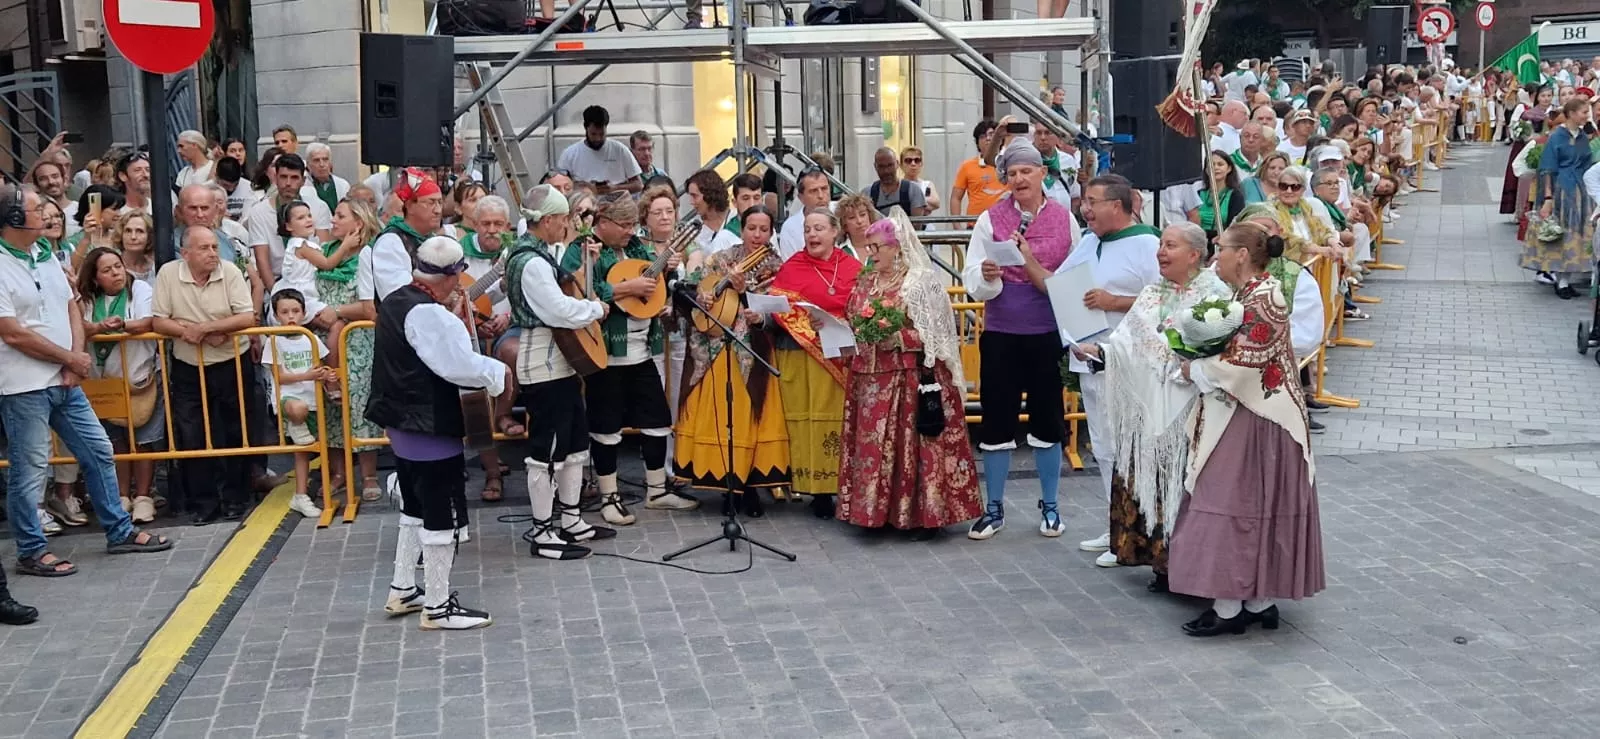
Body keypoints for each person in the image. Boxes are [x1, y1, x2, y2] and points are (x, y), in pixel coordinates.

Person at [0, 184, 173, 580]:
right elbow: (12, 333)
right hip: (23, 385)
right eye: (37, 210)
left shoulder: (46, 255)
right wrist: (68, 359)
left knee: (98, 451)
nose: (47, 217)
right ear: (14, 218)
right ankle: (30, 550)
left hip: (64, 380)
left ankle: (119, 530)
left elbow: (71, 307)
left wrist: (75, 359)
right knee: (29, 470)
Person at [1165, 222, 1325, 636]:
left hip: (1260, 417)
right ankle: (1256, 601)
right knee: (1254, 504)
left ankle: (1232, 606)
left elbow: (1246, 363)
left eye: (1220, 249)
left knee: (1229, 501)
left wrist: (1195, 367)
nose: (1214, 256)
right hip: (1255, 413)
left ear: (1241, 255)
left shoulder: (1264, 297)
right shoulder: (1251, 294)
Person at [1070, 223, 1230, 592]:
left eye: (1170, 245)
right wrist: (1101, 352)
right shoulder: (1151, 293)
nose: (1160, 252)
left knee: (1187, 487)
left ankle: (1192, 568)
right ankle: (1162, 565)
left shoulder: (1215, 294)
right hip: (1149, 414)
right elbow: (1125, 342)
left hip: (1193, 409)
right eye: (1160, 245)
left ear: (1194, 254)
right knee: (1154, 487)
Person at [369, 236, 505, 630]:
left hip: (402, 422)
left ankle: (402, 589)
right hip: (429, 424)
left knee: (414, 507)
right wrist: (498, 373)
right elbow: (458, 366)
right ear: (453, 276)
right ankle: (438, 606)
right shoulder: (430, 314)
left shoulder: (395, 300)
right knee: (440, 514)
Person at [1029, 174, 1161, 558]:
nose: (1085, 209)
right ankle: (1116, 524)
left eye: (1092, 201)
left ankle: (1141, 531)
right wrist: (1025, 259)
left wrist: (1113, 301)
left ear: (1116, 206)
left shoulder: (1148, 244)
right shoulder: (1089, 243)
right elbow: (1061, 286)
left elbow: (1166, 298)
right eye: (1084, 201)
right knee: (1102, 444)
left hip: (1130, 361)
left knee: (1128, 444)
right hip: (1090, 358)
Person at [837, 213, 981, 540]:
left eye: (877, 247)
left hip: (909, 379)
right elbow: (853, 318)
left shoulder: (919, 282)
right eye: (868, 247)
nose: (871, 253)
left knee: (912, 449)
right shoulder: (866, 281)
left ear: (897, 247)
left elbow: (939, 335)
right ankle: (876, 516)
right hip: (869, 380)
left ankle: (920, 518)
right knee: (873, 451)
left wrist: (901, 338)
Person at [961, 139, 1076, 540]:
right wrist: (986, 274)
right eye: (1012, 173)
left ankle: (1051, 506)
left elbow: (1074, 274)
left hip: (1047, 332)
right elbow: (971, 273)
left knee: (1048, 419)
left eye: (1026, 171)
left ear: (1043, 173)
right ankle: (993, 508)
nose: (1019, 179)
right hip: (1001, 333)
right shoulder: (990, 218)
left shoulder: (1064, 217)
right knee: (997, 420)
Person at [563, 192, 696, 524]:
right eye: (623, 224)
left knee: (657, 420)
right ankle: (609, 498)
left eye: (633, 224)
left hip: (642, 349)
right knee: (606, 425)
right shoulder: (581, 247)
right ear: (603, 222)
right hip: (604, 352)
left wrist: (666, 277)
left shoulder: (638, 247)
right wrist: (625, 289)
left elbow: (654, 285)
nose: (630, 230)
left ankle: (657, 491)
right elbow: (575, 289)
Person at [502, 186, 614, 560]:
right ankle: (543, 531)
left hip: (559, 362)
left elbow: (564, 289)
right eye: (563, 218)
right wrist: (596, 310)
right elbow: (559, 311)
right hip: (542, 364)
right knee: (547, 451)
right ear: (548, 220)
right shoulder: (531, 262)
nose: (566, 225)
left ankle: (571, 519)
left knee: (575, 443)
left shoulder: (538, 254)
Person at [675, 205, 790, 517]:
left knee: (750, 418)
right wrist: (702, 297)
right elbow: (696, 290)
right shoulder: (721, 258)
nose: (757, 235)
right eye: (751, 228)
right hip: (717, 348)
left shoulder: (777, 266)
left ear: (771, 233)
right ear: (742, 228)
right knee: (722, 417)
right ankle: (727, 485)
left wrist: (746, 292)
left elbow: (779, 310)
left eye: (763, 229)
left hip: (753, 352)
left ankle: (750, 486)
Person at [153, 226, 261, 523]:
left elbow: (246, 316)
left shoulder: (230, 271)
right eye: (204, 248)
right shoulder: (168, 274)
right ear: (185, 253)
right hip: (188, 364)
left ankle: (236, 499)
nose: (213, 253)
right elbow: (159, 321)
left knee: (236, 430)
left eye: (214, 246)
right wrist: (193, 332)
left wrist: (209, 328)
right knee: (192, 433)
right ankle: (204, 503)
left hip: (231, 361)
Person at [765, 207, 863, 519]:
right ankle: (807, 486)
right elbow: (778, 308)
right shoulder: (793, 266)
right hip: (797, 355)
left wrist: (838, 320)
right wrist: (803, 321)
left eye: (819, 228)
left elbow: (864, 308)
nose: (812, 234)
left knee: (834, 421)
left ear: (835, 232)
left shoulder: (852, 267)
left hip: (837, 357)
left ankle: (835, 486)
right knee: (801, 420)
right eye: (808, 229)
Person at [78, 246, 165, 523]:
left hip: (138, 379)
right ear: (95, 278)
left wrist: (120, 325)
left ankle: (143, 496)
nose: (116, 273)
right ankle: (122, 495)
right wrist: (99, 327)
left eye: (118, 266)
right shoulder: (88, 299)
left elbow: (147, 322)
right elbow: (80, 326)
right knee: (115, 442)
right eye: (107, 270)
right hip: (104, 383)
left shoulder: (139, 289)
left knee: (143, 440)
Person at [317, 197, 385, 504]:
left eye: (340, 215)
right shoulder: (324, 253)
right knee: (331, 410)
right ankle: (339, 473)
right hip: (323, 338)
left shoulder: (370, 256)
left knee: (360, 407)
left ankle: (369, 475)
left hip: (358, 341)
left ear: (358, 223)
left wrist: (338, 311)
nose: (333, 220)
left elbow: (374, 302)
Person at [261, 290, 334, 519]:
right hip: (288, 400)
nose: (291, 316)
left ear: (304, 313)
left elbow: (319, 368)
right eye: (284, 312)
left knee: (303, 452)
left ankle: (301, 495)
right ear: (276, 316)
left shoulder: (311, 339)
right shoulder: (274, 341)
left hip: (313, 400)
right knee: (298, 411)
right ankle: (295, 424)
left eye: (295, 311)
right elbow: (279, 377)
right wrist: (307, 375)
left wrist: (325, 375)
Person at [1525, 99, 1595, 300]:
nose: (1587, 116)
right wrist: (1548, 198)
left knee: (1578, 236)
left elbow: (1588, 164)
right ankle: (1559, 280)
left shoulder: (1582, 137)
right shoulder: (1557, 137)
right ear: (1571, 113)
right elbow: (1547, 168)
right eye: (1583, 112)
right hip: (1561, 191)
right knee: (1563, 234)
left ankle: (1566, 279)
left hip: (1581, 191)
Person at [246, 153, 332, 291]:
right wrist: (276, 295)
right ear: (275, 178)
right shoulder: (259, 211)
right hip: (277, 282)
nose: (288, 183)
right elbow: (262, 260)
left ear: (303, 181)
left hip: (313, 282)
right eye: (283, 177)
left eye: (294, 178)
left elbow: (325, 249)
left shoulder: (319, 207)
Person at [373, 168, 446, 301]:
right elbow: (399, 296)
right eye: (431, 202)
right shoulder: (391, 242)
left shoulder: (435, 240)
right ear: (410, 206)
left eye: (440, 202)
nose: (438, 210)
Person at [557, 106, 644, 196]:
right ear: (585, 128)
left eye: (602, 134)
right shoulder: (570, 154)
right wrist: (584, 187)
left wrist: (615, 188)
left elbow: (638, 185)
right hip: (583, 201)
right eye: (593, 134)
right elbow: (559, 185)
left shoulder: (620, 150)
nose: (597, 139)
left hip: (617, 201)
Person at [949, 121, 1004, 217]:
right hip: (975, 223)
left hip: (1005, 222)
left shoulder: (1009, 163)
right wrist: (957, 224)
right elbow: (956, 198)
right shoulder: (967, 166)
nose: (988, 139)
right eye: (983, 136)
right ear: (977, 143)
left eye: (992, 135)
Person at [1189, 151, 1247, 241]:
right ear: (1206, 170)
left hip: (1223, 241)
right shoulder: (1198, 194)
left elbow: (1235, 226)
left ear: (1229, 169)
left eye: (1220, 164)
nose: (1216, 168)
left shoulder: (1235, 196)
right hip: (1198, 241)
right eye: (1212, 164)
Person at [777, 169, 833, 259]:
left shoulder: (843, 213)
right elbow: (791, 264)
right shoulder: (790, 228)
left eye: (824, 189)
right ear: (800, 197)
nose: (821, 196)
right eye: (813, 191)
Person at [684, 169, 741, 255]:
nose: (691, 202)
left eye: (695, 196)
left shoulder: (737, 219)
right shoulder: (692, 229)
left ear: (710, 194)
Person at [867, 147, 928, 217]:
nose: (886, 171)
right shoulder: (867, 194)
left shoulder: (914, 191)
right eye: (881, 166)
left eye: (890, 165)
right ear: (875, 166)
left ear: (897, 164)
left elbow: (917, 223)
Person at [300, 142, 349, 215]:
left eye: (325, 159)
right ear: (308, 164)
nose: (322, 164)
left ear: (330, 163)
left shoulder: (342, 185)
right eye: (316, 160)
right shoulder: (303, 186)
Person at [899, 146, 940, 215]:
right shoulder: (898, 184)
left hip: (924, 221)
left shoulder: (927, 184)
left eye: (917, 160)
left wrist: (910, 201)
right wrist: (923, 204)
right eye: (908, 160)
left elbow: (936, 203)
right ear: (901, 165)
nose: (913, 164)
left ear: (921, 164)